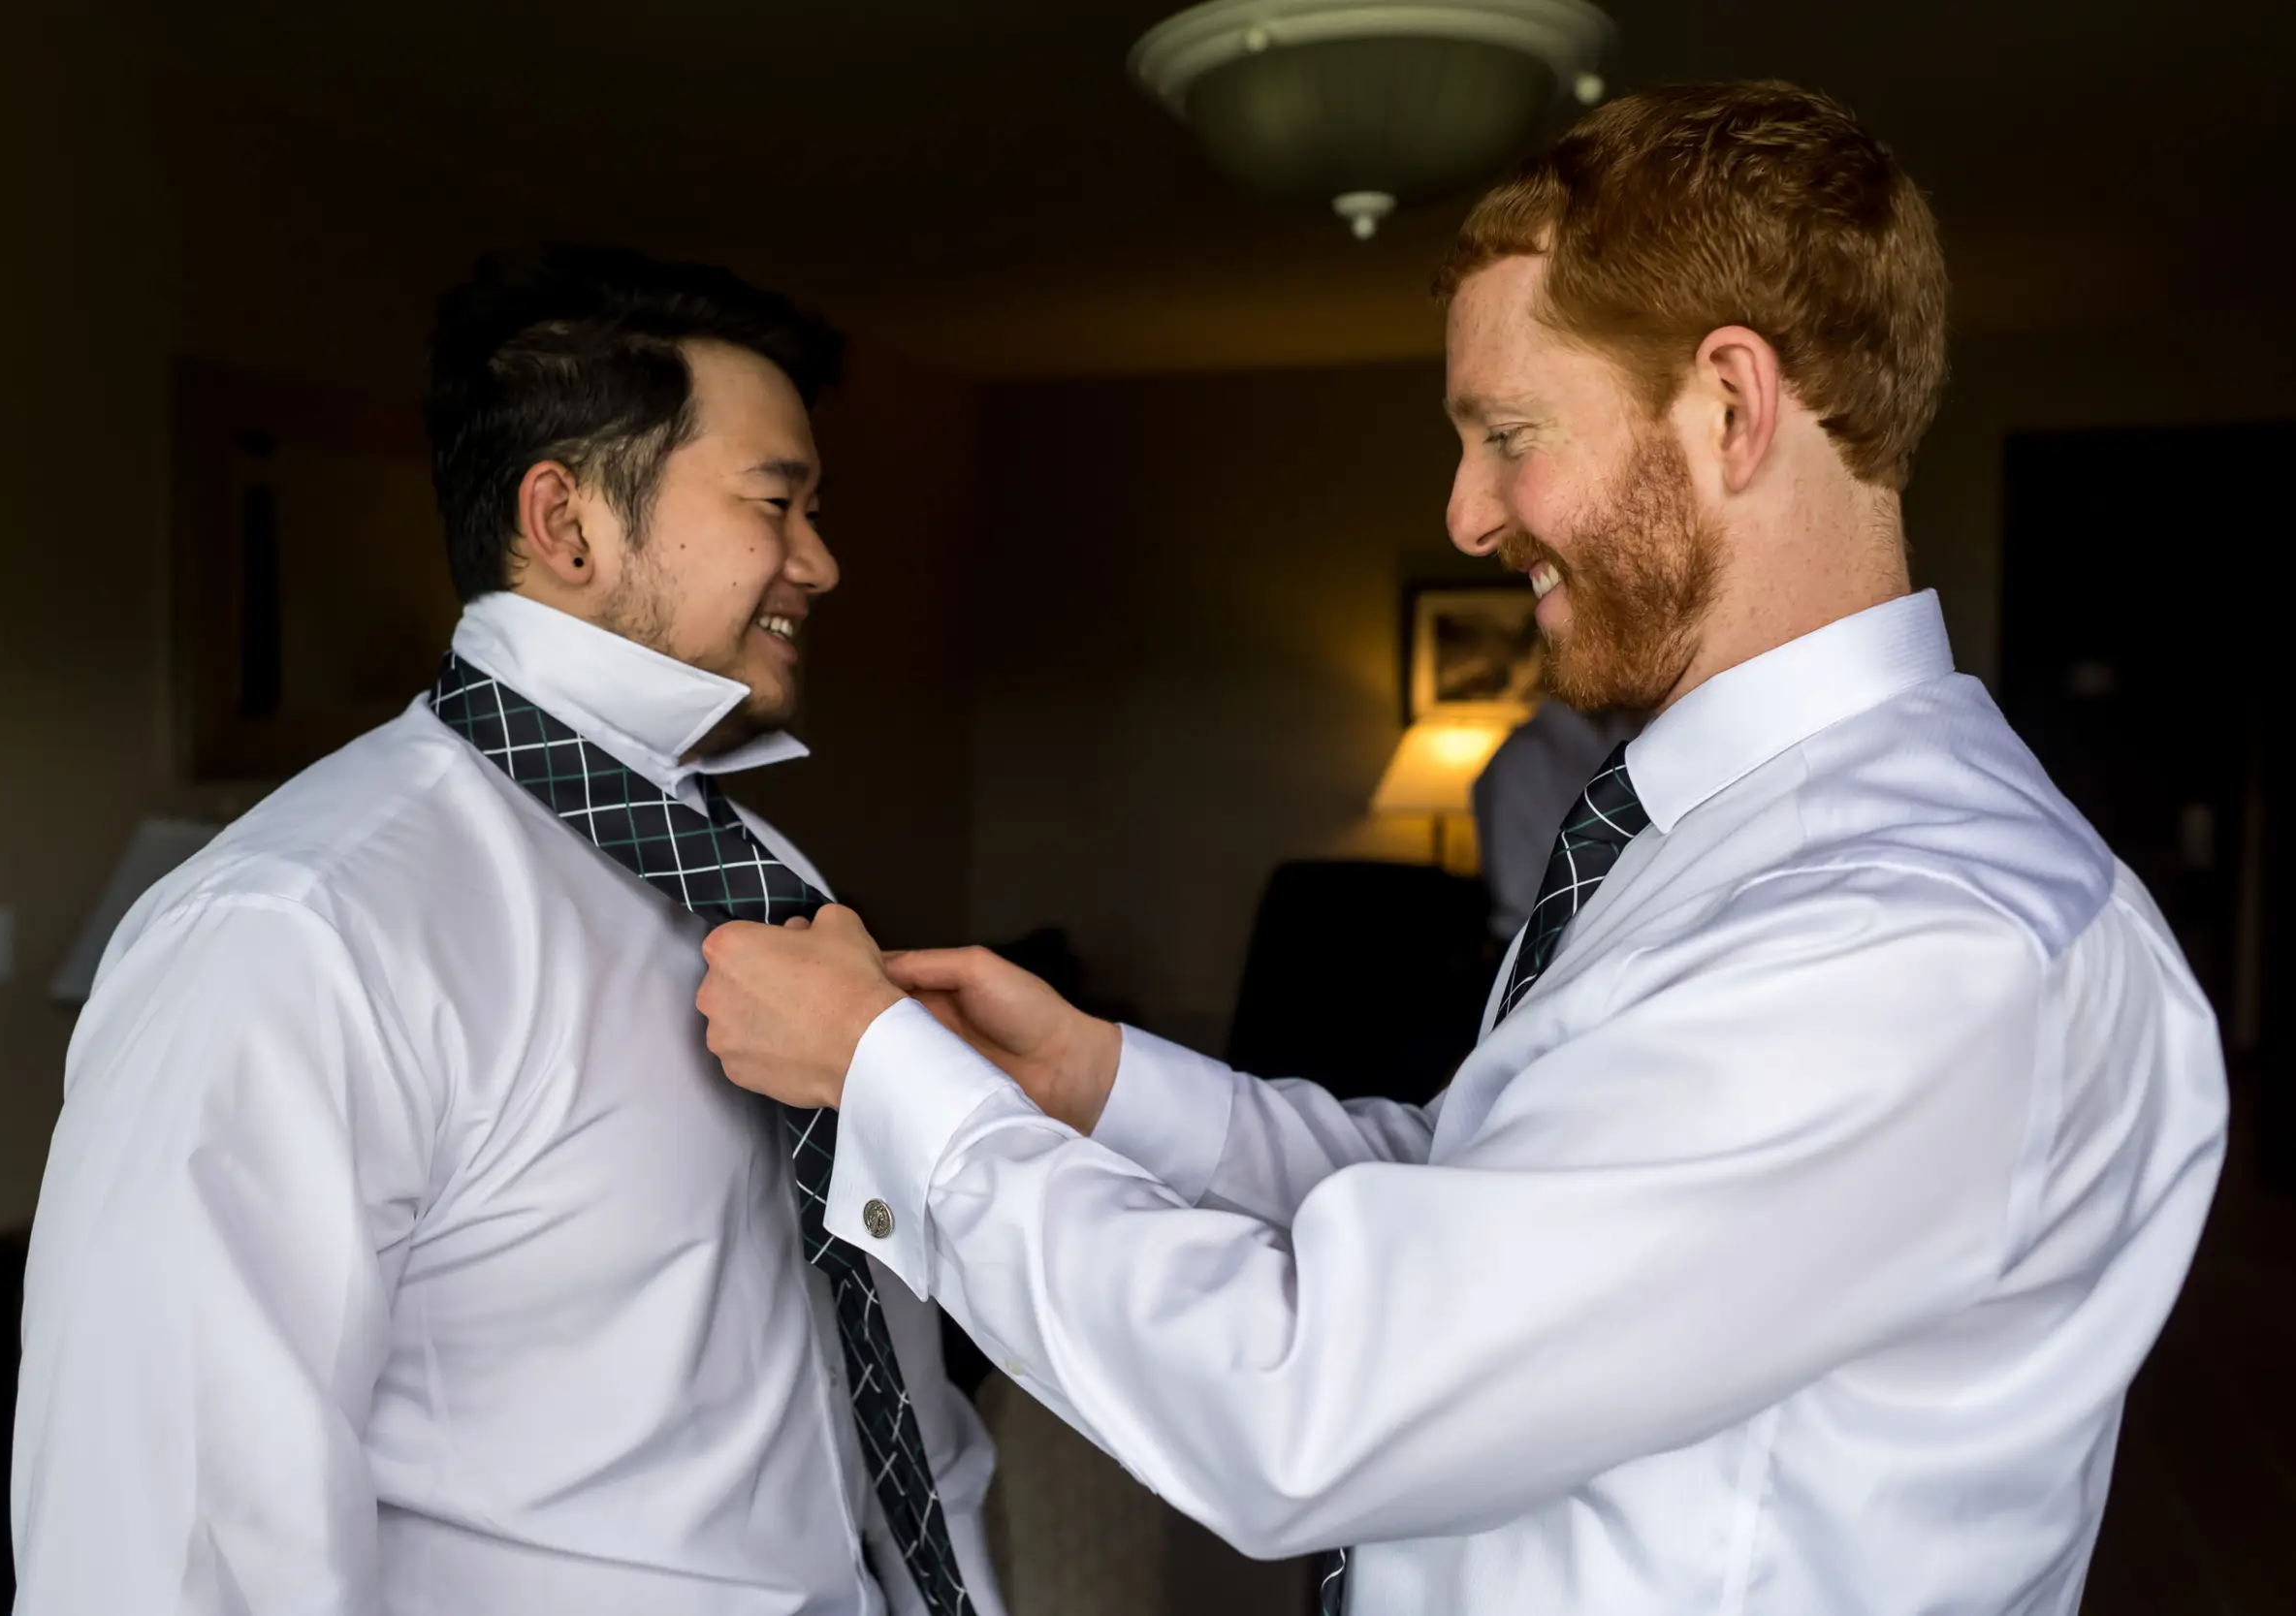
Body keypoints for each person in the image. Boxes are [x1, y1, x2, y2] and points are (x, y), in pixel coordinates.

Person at [694, 83, 2229, 1615]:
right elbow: (1486, 1198)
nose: (1467, 514)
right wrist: (1101, 1086)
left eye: (1508, 435)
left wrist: (890, 1084)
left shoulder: (1912, 936)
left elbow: (1319, 1400)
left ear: (1732, 407)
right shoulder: (1716, 835)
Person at [13, 248, 1004, 1616]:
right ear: (566, 520)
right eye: (778, 503)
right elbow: (175, 1547)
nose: (821, 562)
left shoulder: (762, 872)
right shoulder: (295, 933)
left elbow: (871, 1344)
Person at [1470, 698, 1641, 951]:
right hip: (1539, 949)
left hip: (1614, 939)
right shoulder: (1523, 758)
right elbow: (1516, 889)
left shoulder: (1630, 739)